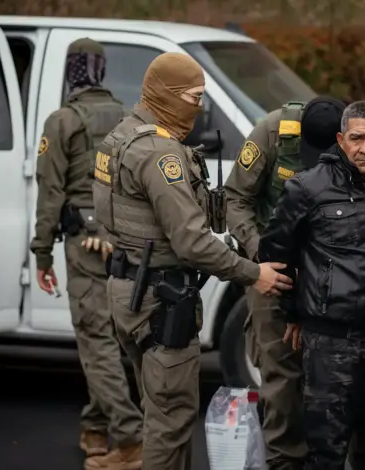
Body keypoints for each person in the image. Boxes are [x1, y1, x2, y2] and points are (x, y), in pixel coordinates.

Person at [91, 51, 293, 470]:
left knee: (157, 410)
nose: (198, 106)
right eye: (193, 96)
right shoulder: (159, 154)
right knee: (171, 420)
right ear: (166, 93)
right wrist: (253, 273)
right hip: (161, 301)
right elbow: (193, 243)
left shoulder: (120, 137)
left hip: (127, 290)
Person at [258, 100, 365, 470]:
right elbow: (276, 254)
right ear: (341, 140)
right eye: (357, 138)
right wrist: (294, 311)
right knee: (326, 451)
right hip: (331, 342)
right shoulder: (306, 188)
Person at [28, 38, 144, 469]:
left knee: (96, 343)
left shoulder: (63, 120)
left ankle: (131, 438)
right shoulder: (129, 118)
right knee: (111, 336)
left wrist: (41, 253)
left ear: (71, 72)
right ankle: (95, 426)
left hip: (85, 243)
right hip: (126, 242)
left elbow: (50, 192)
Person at [224, 96, 346, 470]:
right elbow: (235, 199)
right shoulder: (272, 133)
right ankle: (284, 460)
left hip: (328, 273)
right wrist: (261, 252)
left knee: (334, 374)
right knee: (280, 373)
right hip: (273, 269)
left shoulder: (356, 139)